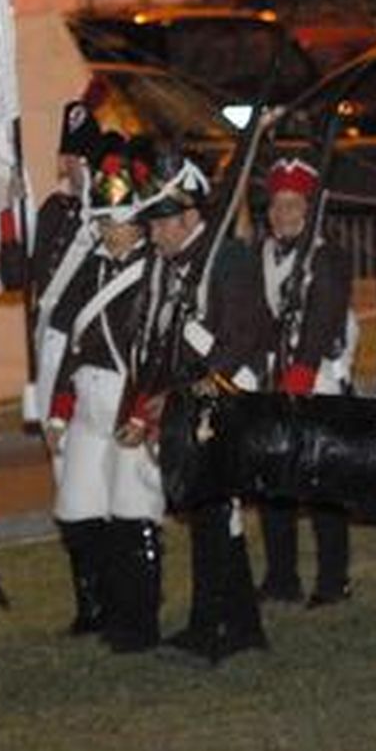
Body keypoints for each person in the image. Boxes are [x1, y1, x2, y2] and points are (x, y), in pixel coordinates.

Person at [122, 152, 271, 666]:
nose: (153, 234)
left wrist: (187, 399)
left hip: (226, 398)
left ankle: (211, 629)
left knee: (212, 514)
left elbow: (240, 342)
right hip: (194, 405)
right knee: (213, 516)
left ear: (188, 218)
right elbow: (163, 345)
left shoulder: (227, 260)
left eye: (161, 222)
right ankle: (243, 625)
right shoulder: (172, 267)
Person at [42, 138, 161, 652]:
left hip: (127, 398)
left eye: (119, 220)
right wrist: (58, 409)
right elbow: (73, 343)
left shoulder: (155, 273)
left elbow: (157, 352)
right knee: (77, 507)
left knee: (133, 511)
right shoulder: (90, 268)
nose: (110, 229)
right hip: (88, 399)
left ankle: (138, 620)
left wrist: (142, 412)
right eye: (106, 220)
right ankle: (97, 608)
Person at [256, 155, 357, 608]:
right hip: (276, 379)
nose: (283, 213)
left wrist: (300, 374)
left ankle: (333, 581)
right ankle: (281, 577)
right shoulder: (262, 253)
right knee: (275, 487)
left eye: (293, 204)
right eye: (277, 204)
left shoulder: (327, 257)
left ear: (310, 208)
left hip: (316, 380)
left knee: (323, 489)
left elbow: (323, 317)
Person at [1, 98, 107, 426]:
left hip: (84, 350)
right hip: (45, 339)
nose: (69, 164)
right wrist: (10, 217)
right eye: (69, 156)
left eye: (76, 157)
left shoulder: (106, 219)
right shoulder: (53, 209)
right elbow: (15, 276)